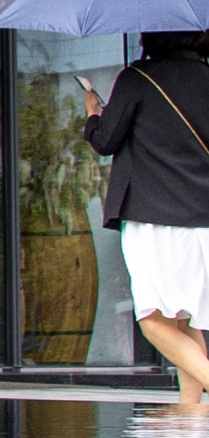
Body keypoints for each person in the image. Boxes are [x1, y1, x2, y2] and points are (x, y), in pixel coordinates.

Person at [85, 30, 209, 409]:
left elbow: (105, 141)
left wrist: (93, 111)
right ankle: (191, 410)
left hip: (153, 216)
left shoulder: (138, 78)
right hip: (203, 218)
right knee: (186, 319)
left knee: (153, 319)